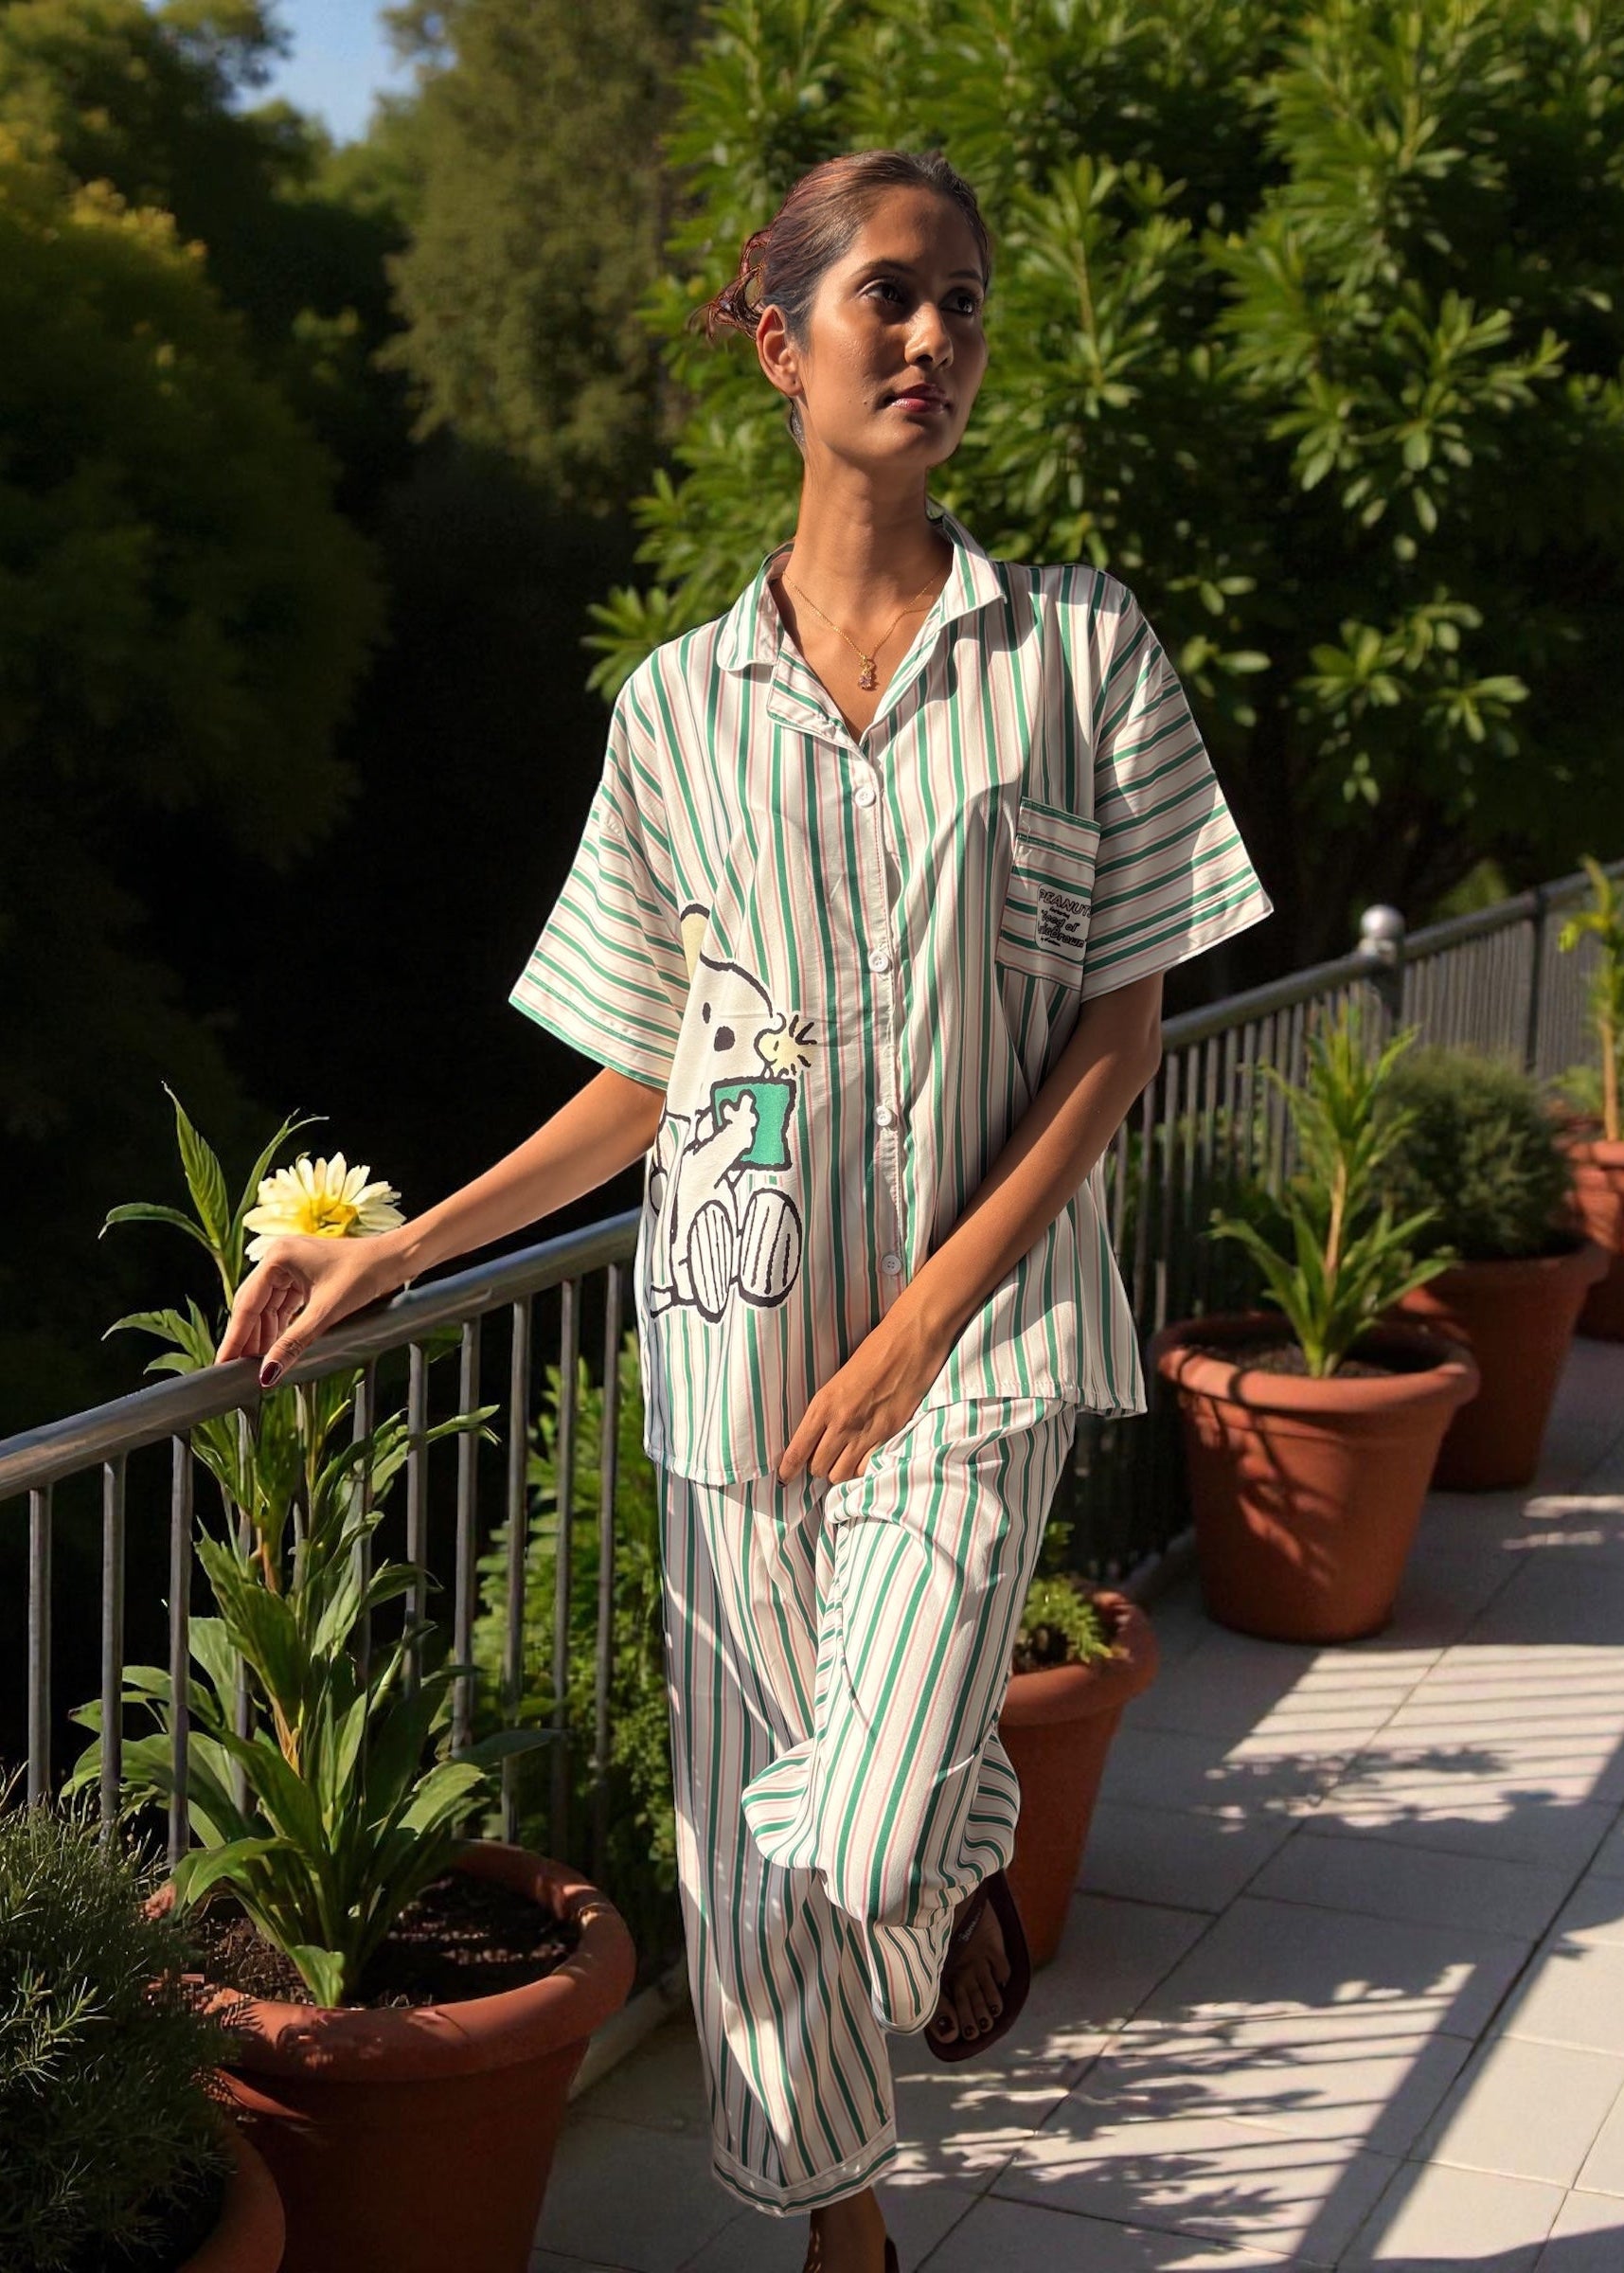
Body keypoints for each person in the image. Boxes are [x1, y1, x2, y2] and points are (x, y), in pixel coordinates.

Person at [216, 147, 1273, 2273]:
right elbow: (639, 1074)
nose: (938, 336)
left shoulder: (1077, 652)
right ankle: (846, 2234)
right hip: (732, 1333)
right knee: (749, 1847)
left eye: (964, 299)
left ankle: (960, 1832)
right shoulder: (674, 715)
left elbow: (1116, 1040)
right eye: (890, 296)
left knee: (865, 1820)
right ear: (783, 343)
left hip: (971, 1346)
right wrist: (403, 1243)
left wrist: (915, 1337)